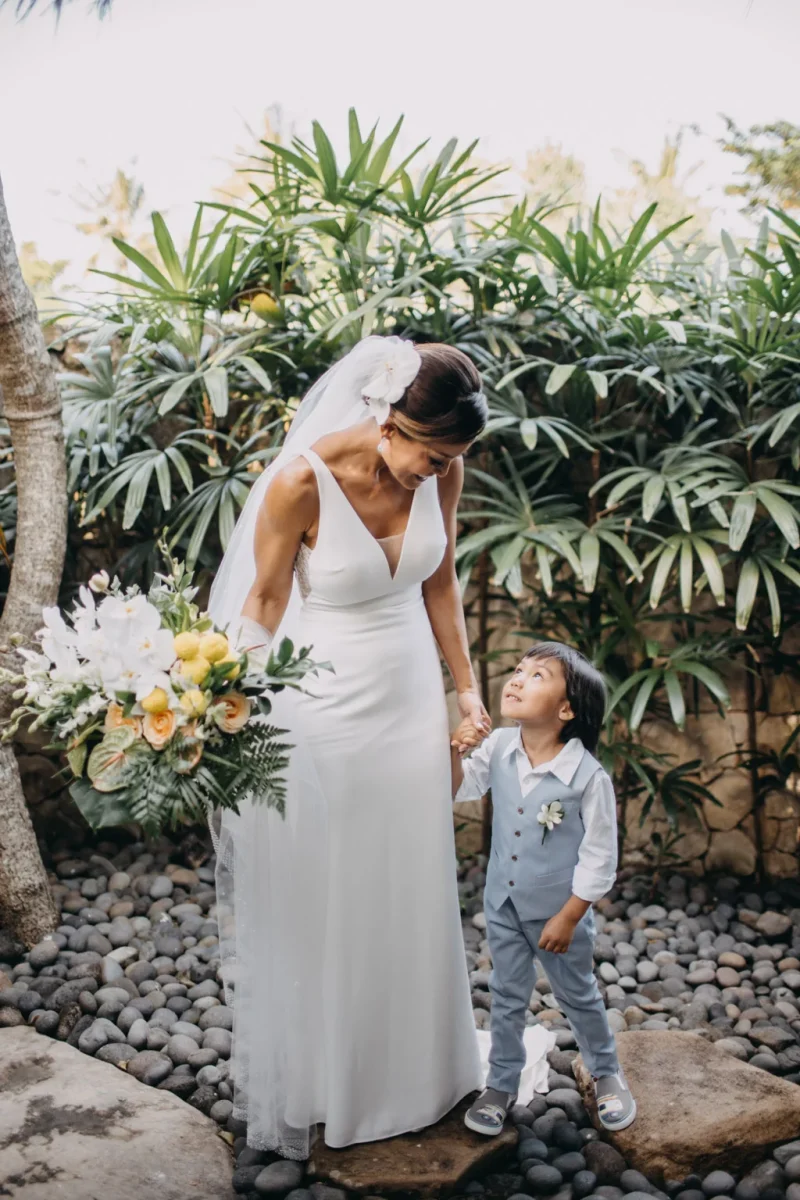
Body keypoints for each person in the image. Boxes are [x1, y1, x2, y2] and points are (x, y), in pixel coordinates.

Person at [207, 336, 491, 1158]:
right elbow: (263, 601)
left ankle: (428, 1072)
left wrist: (466, 690)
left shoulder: (444, 472)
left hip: (410, 699)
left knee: (414, 877)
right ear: (389, 422)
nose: (440, 472)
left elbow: (441, 582)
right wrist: (225, 698)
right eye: (431, 456)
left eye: (452, 460)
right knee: (338, 888)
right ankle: (339, 1080)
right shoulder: (300, 482)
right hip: (325, 706)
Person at [450, 641, 637, 1136]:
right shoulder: (499, 747)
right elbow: (458, 788)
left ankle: (606, 1072)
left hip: (559, 913)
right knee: (506, 994)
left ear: (566, 709)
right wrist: (456, 750)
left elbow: (600, 857)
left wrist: (570, 916)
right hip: (503, 905)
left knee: (578, 995)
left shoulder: (587, 777)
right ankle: (501, 1084)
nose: (517, 678)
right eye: (518, 669)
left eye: (537, 676)